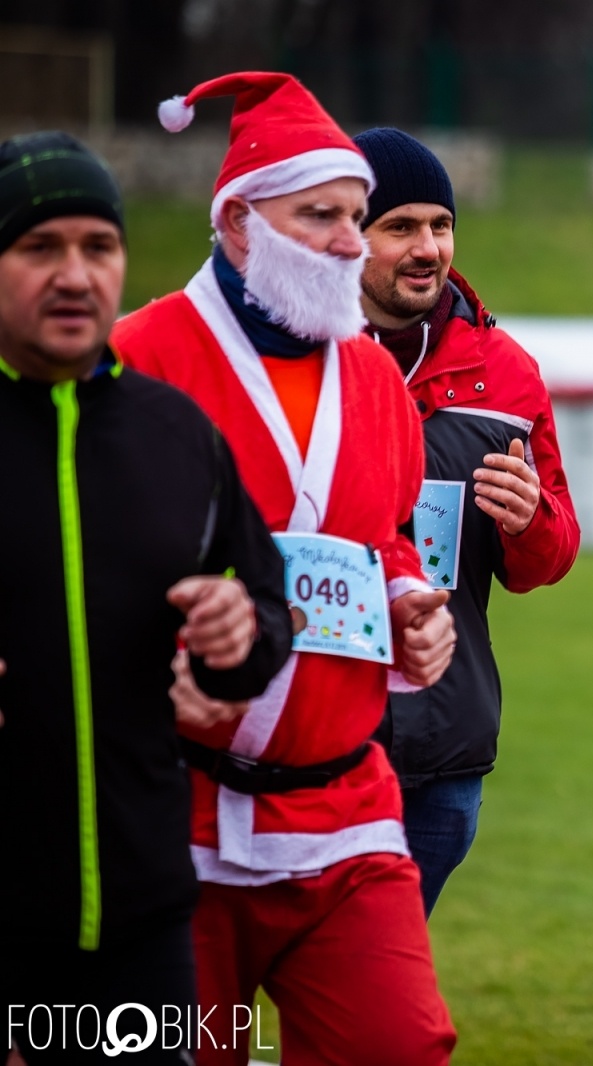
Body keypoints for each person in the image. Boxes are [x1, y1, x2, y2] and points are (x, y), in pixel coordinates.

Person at [110, 74, 457, 1065]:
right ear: (238, 219)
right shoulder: (141, 357)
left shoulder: (375, 376)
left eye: (356, 215)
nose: (354, 241)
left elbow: (383, 536)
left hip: (344, 810)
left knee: (400, 1046)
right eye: (323, 216)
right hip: (179, 821)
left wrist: (409, 603)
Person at [0, 132, 291, 1064]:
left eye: (99, 246)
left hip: (146, 918)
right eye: (40, 248)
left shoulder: (177, 435)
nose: (76, 275)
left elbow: (265, 617)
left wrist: (236, 633)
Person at [352, 127, 580, 916]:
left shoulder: (506, 370)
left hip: (443, 750)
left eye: (440, 225)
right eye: (400, 226)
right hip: (314, 743)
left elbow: (550, 555)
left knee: (378, 999)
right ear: (349, 235)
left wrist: (529, 522)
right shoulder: (295, 355)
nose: (428, 248)